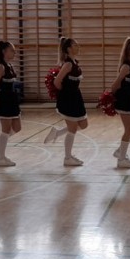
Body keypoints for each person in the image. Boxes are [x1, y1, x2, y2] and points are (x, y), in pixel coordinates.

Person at [44, 37, 88, 166]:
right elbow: (57, 82)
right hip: (69, 99)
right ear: (68, 48)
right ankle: (68, 158)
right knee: (72, 129)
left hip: (76, 98)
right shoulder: (68, 64)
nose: (78, 47)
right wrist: (66, 94)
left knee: (84, 124)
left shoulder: (74, 63)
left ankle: (57, 133)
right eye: (75, 45)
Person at [110, 37, 130, 168]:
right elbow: (115, 85)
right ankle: (121, 159)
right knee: (129, 128)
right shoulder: (125, 66)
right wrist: (110, 98)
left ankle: (120, 151)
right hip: (124, 99)